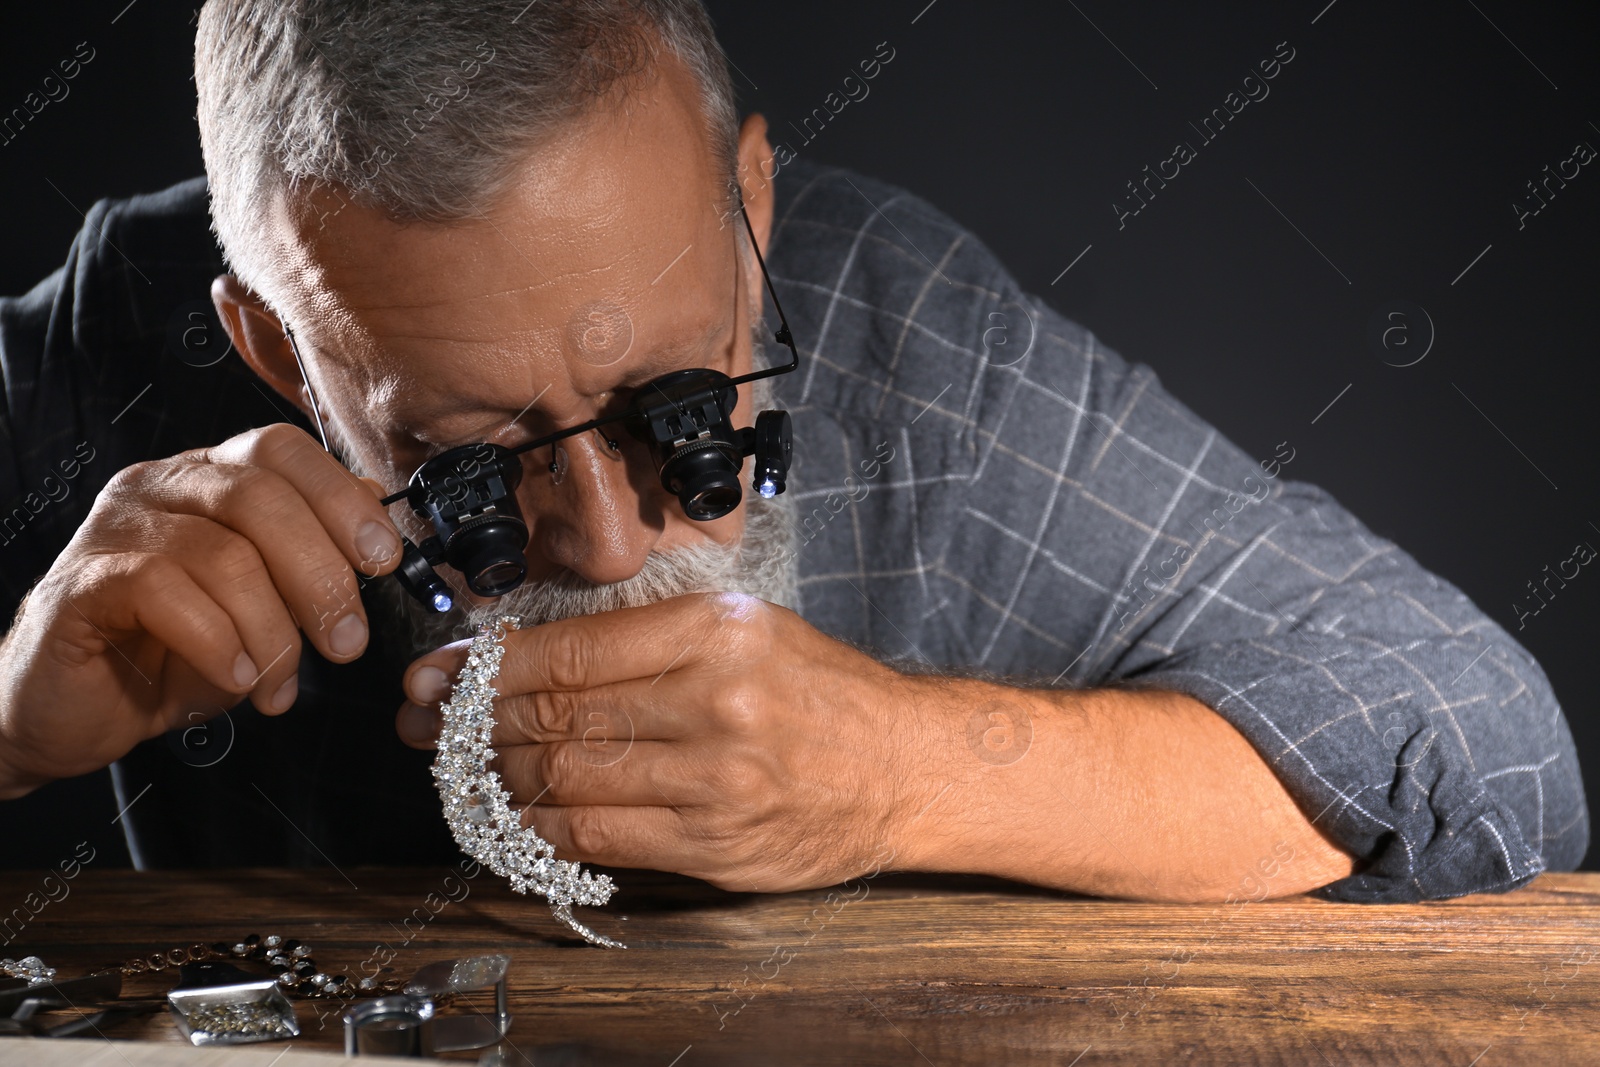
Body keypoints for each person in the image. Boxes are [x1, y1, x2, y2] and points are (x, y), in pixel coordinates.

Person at [0, 0, 1586, 904]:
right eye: (467, 460)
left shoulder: (908, 338)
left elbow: (1492, 753)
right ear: (279, 352)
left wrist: (900, 777)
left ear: (749, 208)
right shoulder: (109, 343)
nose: (614, 545)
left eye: (673, 405)